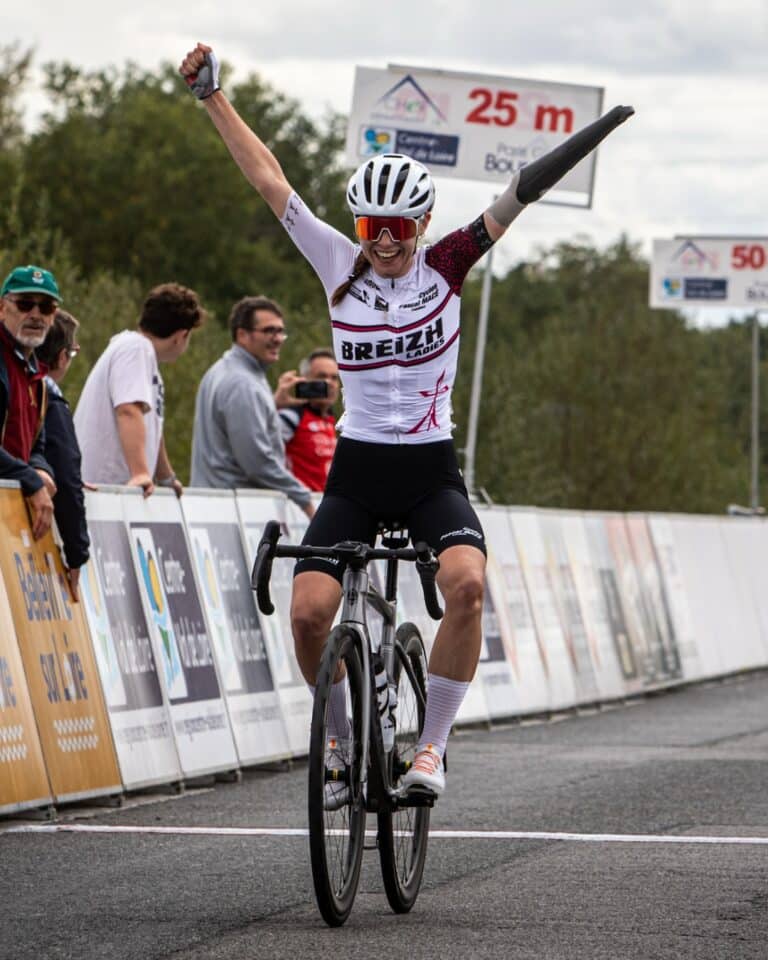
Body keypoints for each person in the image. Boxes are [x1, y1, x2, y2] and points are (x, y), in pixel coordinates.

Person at [179, 43, 633, 796]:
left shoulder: (448, 264)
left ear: (421, 222)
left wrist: (597, 132)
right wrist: (211, 97)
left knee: (467, 588)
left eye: (397, 228)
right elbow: (269, 181)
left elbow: (519, 192)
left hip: (428, 471)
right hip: (356, 471)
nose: (384, 244)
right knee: (306, 616)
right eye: (370, 229)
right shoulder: (337, 265)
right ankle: (336, 738)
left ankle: (430, 750)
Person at [74, 283, 204, 498]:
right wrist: (141, 473)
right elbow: (128, 411)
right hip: (104, 490)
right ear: (181, 335)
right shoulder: (136, 349)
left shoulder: (138, 352)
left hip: (112, 490)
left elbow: (150, 425)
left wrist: (165, 476)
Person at [190, 295, 315, 518]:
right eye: (269, 331)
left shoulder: (223, 369)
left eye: (280, 331)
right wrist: (304, 499)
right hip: (233, 512)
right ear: (242, 335)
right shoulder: (244, 384)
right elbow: (257, 461)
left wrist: (271, 404)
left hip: (214, 508)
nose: (278, 339)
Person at [0, 264, 59, 540]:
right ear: (2, 308)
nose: (35, 315)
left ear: (54, 316)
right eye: (25, 304)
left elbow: (36, 443)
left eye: (45, 307)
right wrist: (30, 479)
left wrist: (39, 469)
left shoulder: (34, 371)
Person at [36, 309, 89, 599]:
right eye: (72, 352)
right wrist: (77, 553)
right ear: (60, 356)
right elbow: (66, 476)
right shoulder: (50, 397)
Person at [276, 348, 339, 492]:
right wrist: (273, 404)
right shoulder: (290, 417)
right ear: (304, 381)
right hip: (299, 505)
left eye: (334, 377)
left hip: (323, 503)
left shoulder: (332, 419)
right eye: (321, 376)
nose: (329, 383)